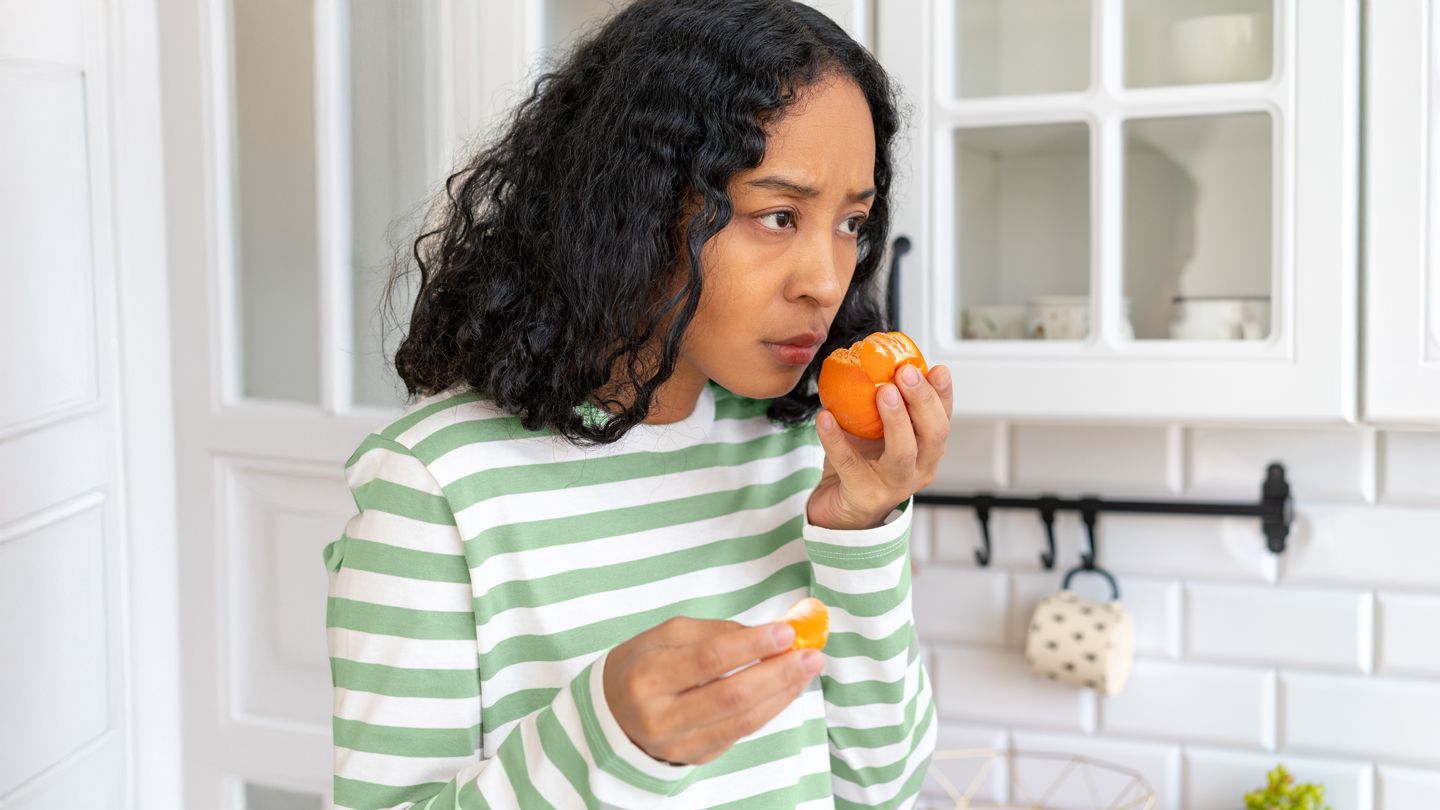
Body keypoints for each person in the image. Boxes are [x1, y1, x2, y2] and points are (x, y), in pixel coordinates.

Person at [323, 1, 952, 806]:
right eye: (778, 215)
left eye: (851, 224)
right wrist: (604, 737)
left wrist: (860, 532)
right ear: (639, 203)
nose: (827, 281)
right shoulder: (439, 487)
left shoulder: (801, 451)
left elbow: (882, 789)